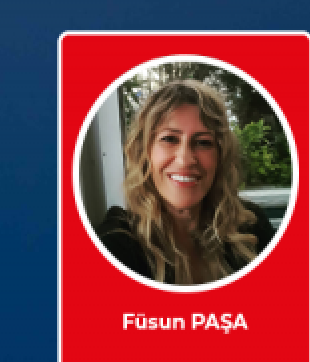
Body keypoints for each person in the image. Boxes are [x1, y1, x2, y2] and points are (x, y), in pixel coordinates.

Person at [97, 79, 276, 285]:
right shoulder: (116, 244)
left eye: (203, 142)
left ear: (220, 157)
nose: (185, 159)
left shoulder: (251, 227)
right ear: (145, 153)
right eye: (170, 139)